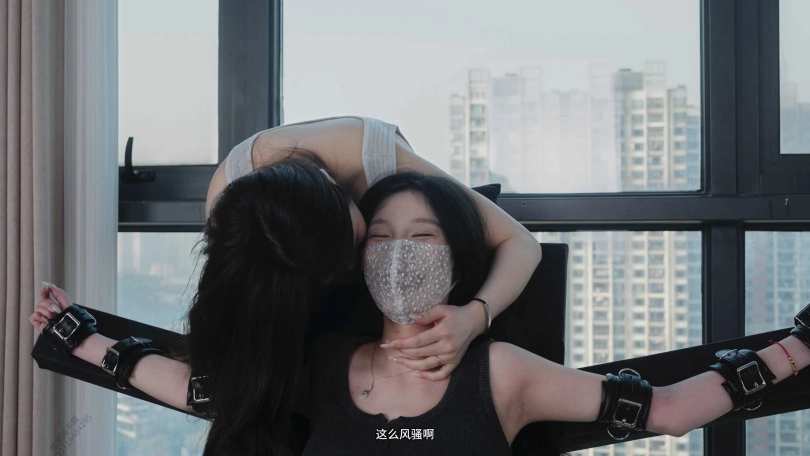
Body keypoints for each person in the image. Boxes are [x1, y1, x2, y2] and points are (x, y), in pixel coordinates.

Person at [31, 172, 810, 455]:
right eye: (382, 237)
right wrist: (81, 337)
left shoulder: (502, 374)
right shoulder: (325, 363)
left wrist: (800, 347)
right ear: (354, 260)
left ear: (459, 259)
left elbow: (666, 410)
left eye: (424, 237)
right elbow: (204, 390)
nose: (400, 254)